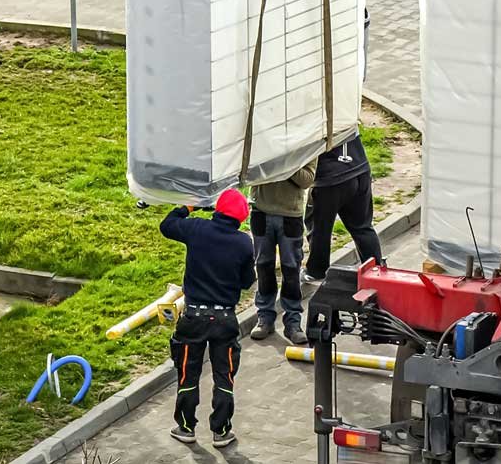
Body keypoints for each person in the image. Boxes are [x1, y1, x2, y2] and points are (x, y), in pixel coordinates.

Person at [160, 187, 256, 448]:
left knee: (187, 373)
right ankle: (222, 432)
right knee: (224, 375)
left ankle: (186, 427)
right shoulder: (244, 242)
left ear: (217, 210)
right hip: (225, 320)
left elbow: (167, 225)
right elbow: (248, 281)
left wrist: (190, 206)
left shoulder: (197, 229)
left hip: (193, 318)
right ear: (240, 217)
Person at [249, 159, 316, 345]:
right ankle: (265, 317)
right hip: (260, 211)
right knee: (263, 266)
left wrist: (285, 160)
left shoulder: (304, 142)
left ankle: (293, 322)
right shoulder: (263, 140)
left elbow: (307, 180)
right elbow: (249, 170)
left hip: (290, 214)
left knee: (291, 269)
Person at [304, 135, 383, 282]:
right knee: (362, 226)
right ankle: (376, 270)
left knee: (319, 227)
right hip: (359, 167)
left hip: (329, 177)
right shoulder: (344, 113)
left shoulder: (315, 115)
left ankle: (316, 270)